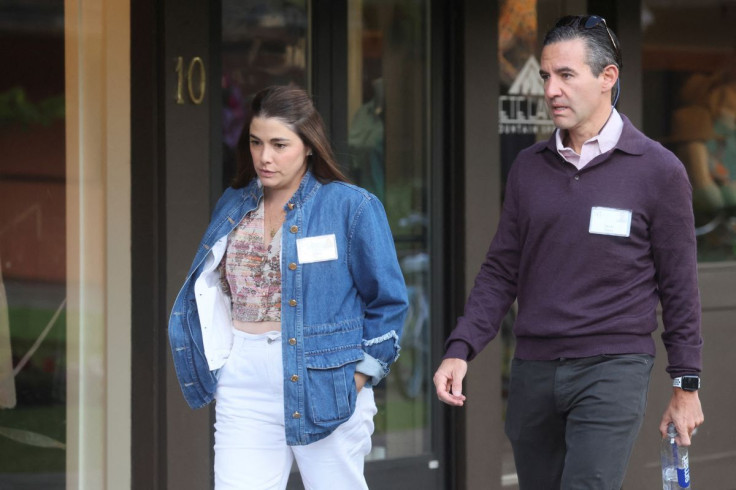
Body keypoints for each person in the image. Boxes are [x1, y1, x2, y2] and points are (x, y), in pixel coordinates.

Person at [433, 15, 704, 489]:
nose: (552, 89)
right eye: (545, 76)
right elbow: (501, 269)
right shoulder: (529, 167)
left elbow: (679, 286)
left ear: (607, 77)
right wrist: (462, 348)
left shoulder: (659, 171)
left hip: (612, 366)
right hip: (533, 368)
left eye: (566, 75)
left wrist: (686, 385)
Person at [169, 85, 408, 490]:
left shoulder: (352, 207)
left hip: (323, 379)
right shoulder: (233, 202)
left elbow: (389, 302)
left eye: (280, 144)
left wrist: (359, 376)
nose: (265, 156)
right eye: (256, 142)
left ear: (309, 145)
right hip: (242, 380)